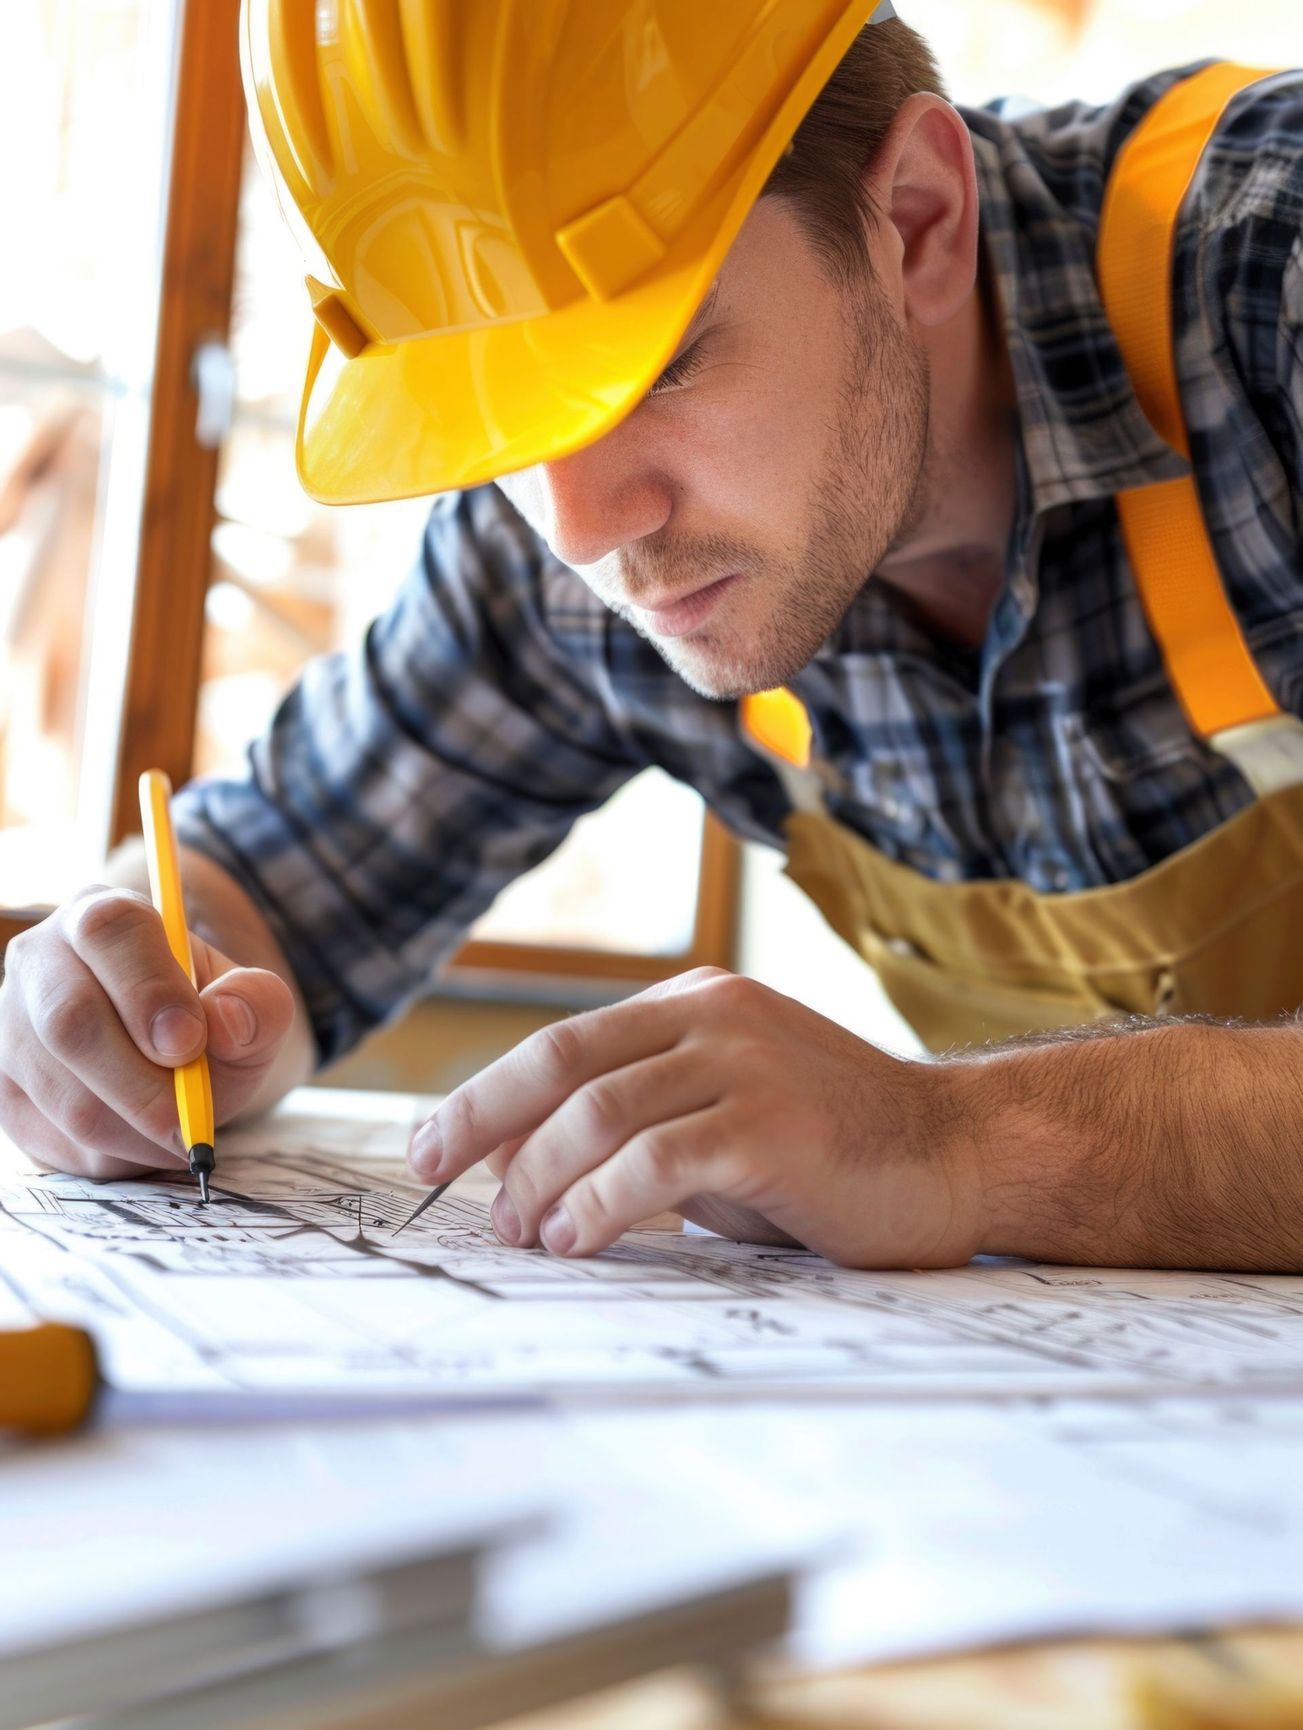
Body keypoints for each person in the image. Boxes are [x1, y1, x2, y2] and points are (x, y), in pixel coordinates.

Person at [2, 2, 1301, 1272]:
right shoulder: (562, 539)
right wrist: (124, 1002)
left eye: (657, 365)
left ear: (916, 219)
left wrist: (954, 1136)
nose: (580, 528)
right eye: (496, 402)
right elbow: (255, 891)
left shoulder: (1274, 276)